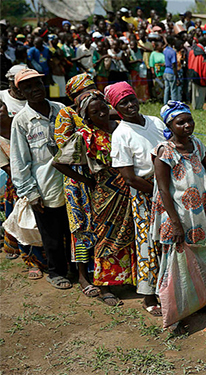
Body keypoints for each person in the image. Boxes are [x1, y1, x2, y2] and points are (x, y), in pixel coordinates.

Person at [52, 90, 137, 305]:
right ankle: (103, 283)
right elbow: (59, 162)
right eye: (95, 112)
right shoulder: (85, 136)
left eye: (103, 109)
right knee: (104, 237)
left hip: (127, 190)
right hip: (103, 195)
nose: (101, 114)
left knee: (127, 235)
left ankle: (126, 279)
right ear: (86, 116)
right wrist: (89, 182)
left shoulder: (119, 127)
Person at [150, 101, 206, 332]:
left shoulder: (197, 145)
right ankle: (174, 314)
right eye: (181, 122)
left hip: (197, 213)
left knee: (199, 257)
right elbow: (162, 190)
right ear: (170, 124)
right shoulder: (164, 151)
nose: (187, 125)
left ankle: (200, 301)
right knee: (175, 263)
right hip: (177, 215)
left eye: (189, 120)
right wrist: (176, 223)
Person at [107, 81, 165, 315]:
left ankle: (175, 289)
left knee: (171, 243)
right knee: (148, 244)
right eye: (123, 103)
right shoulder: (121, 134)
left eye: (132, 99)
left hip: (170, 190)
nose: (130, 105)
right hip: (145, 194)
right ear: (116, 107)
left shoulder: (155, 122)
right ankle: (149, 296)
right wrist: (156, 193)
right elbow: (129, 177)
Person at [10, 69, 70, 290]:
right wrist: (31, 192)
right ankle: (57, 272)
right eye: (27, 87)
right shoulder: (22, 121)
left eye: (37, 84)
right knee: (51, 233)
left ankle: (77, 268)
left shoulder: (61, 110)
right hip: (44, 187)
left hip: (70, 184)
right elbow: (19, 161)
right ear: (20, 91)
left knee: (72, 229)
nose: (34, 90)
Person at [54, 73, 100, 298]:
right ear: (74, 97)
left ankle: (101, 272)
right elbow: (64, 150)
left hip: (100, 177)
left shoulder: (101, 109)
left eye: (93, 88)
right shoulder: (67, 113)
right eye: (85, 91)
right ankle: (83, 275)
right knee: (80, 227)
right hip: (77, 179)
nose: (91, 93)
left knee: (101, 224)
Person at [0, 98, 47, 276]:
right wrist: (28, 183)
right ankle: (31, 261)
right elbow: (9, 168)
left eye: (0, 105)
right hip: (20, 186)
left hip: (42, 176)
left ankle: (50, 258)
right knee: (25, 224)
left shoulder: (21, 123)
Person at [163, 36, 179, 104]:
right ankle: (174, 104)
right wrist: (176, 75)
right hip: (171, 71)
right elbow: (174, 65)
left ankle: (165, 103)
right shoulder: (173, 52)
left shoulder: (165, 50)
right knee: (173, 89)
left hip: (165, 71)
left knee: (167, 89)